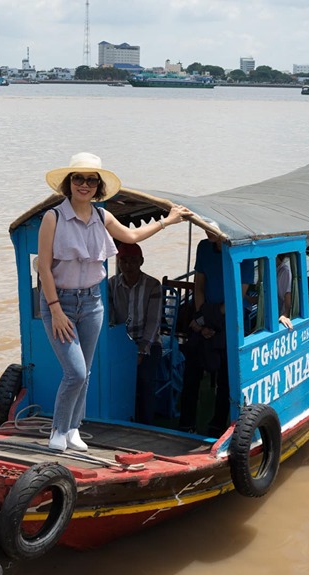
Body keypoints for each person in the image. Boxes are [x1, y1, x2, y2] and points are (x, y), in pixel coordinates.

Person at [37, 152, 192, 452]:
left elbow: (132, 237)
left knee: (88, 370)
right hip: (61, 304)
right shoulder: (52, 217)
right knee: (76, 372)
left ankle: (73, 429)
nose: (84, 184)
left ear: (98, 186)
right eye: (78, 178)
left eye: (91, 180)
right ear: (69, 183)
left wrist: (168, 221)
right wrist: (55, 309)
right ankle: (58, 430)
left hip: (93, 302)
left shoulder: (101, 216)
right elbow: (44, 267)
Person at [178, 225, 254, 436]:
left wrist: (208, 320)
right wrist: (201, 320)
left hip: (231, 320)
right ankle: (186, 423)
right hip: (204, 317)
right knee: (191, 372)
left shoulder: (243, 251)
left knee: (226, 378)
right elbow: (199, 286)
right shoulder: (204, 247)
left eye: (211, 225)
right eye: (203, 225)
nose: (206, 229)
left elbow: (237, 297)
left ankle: (217, 425)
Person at [108, 242, 164, 424]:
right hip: (120, 342)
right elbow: (108, 315)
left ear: (141, 262)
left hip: (148, 343)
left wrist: (141, 349)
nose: (128, 266)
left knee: (145, 381)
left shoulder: (153, 285)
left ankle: (146, 425)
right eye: (123, 261)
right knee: (114, 380)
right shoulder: (111, 285)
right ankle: (121, 420)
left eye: (133, 261)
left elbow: (154, 321)